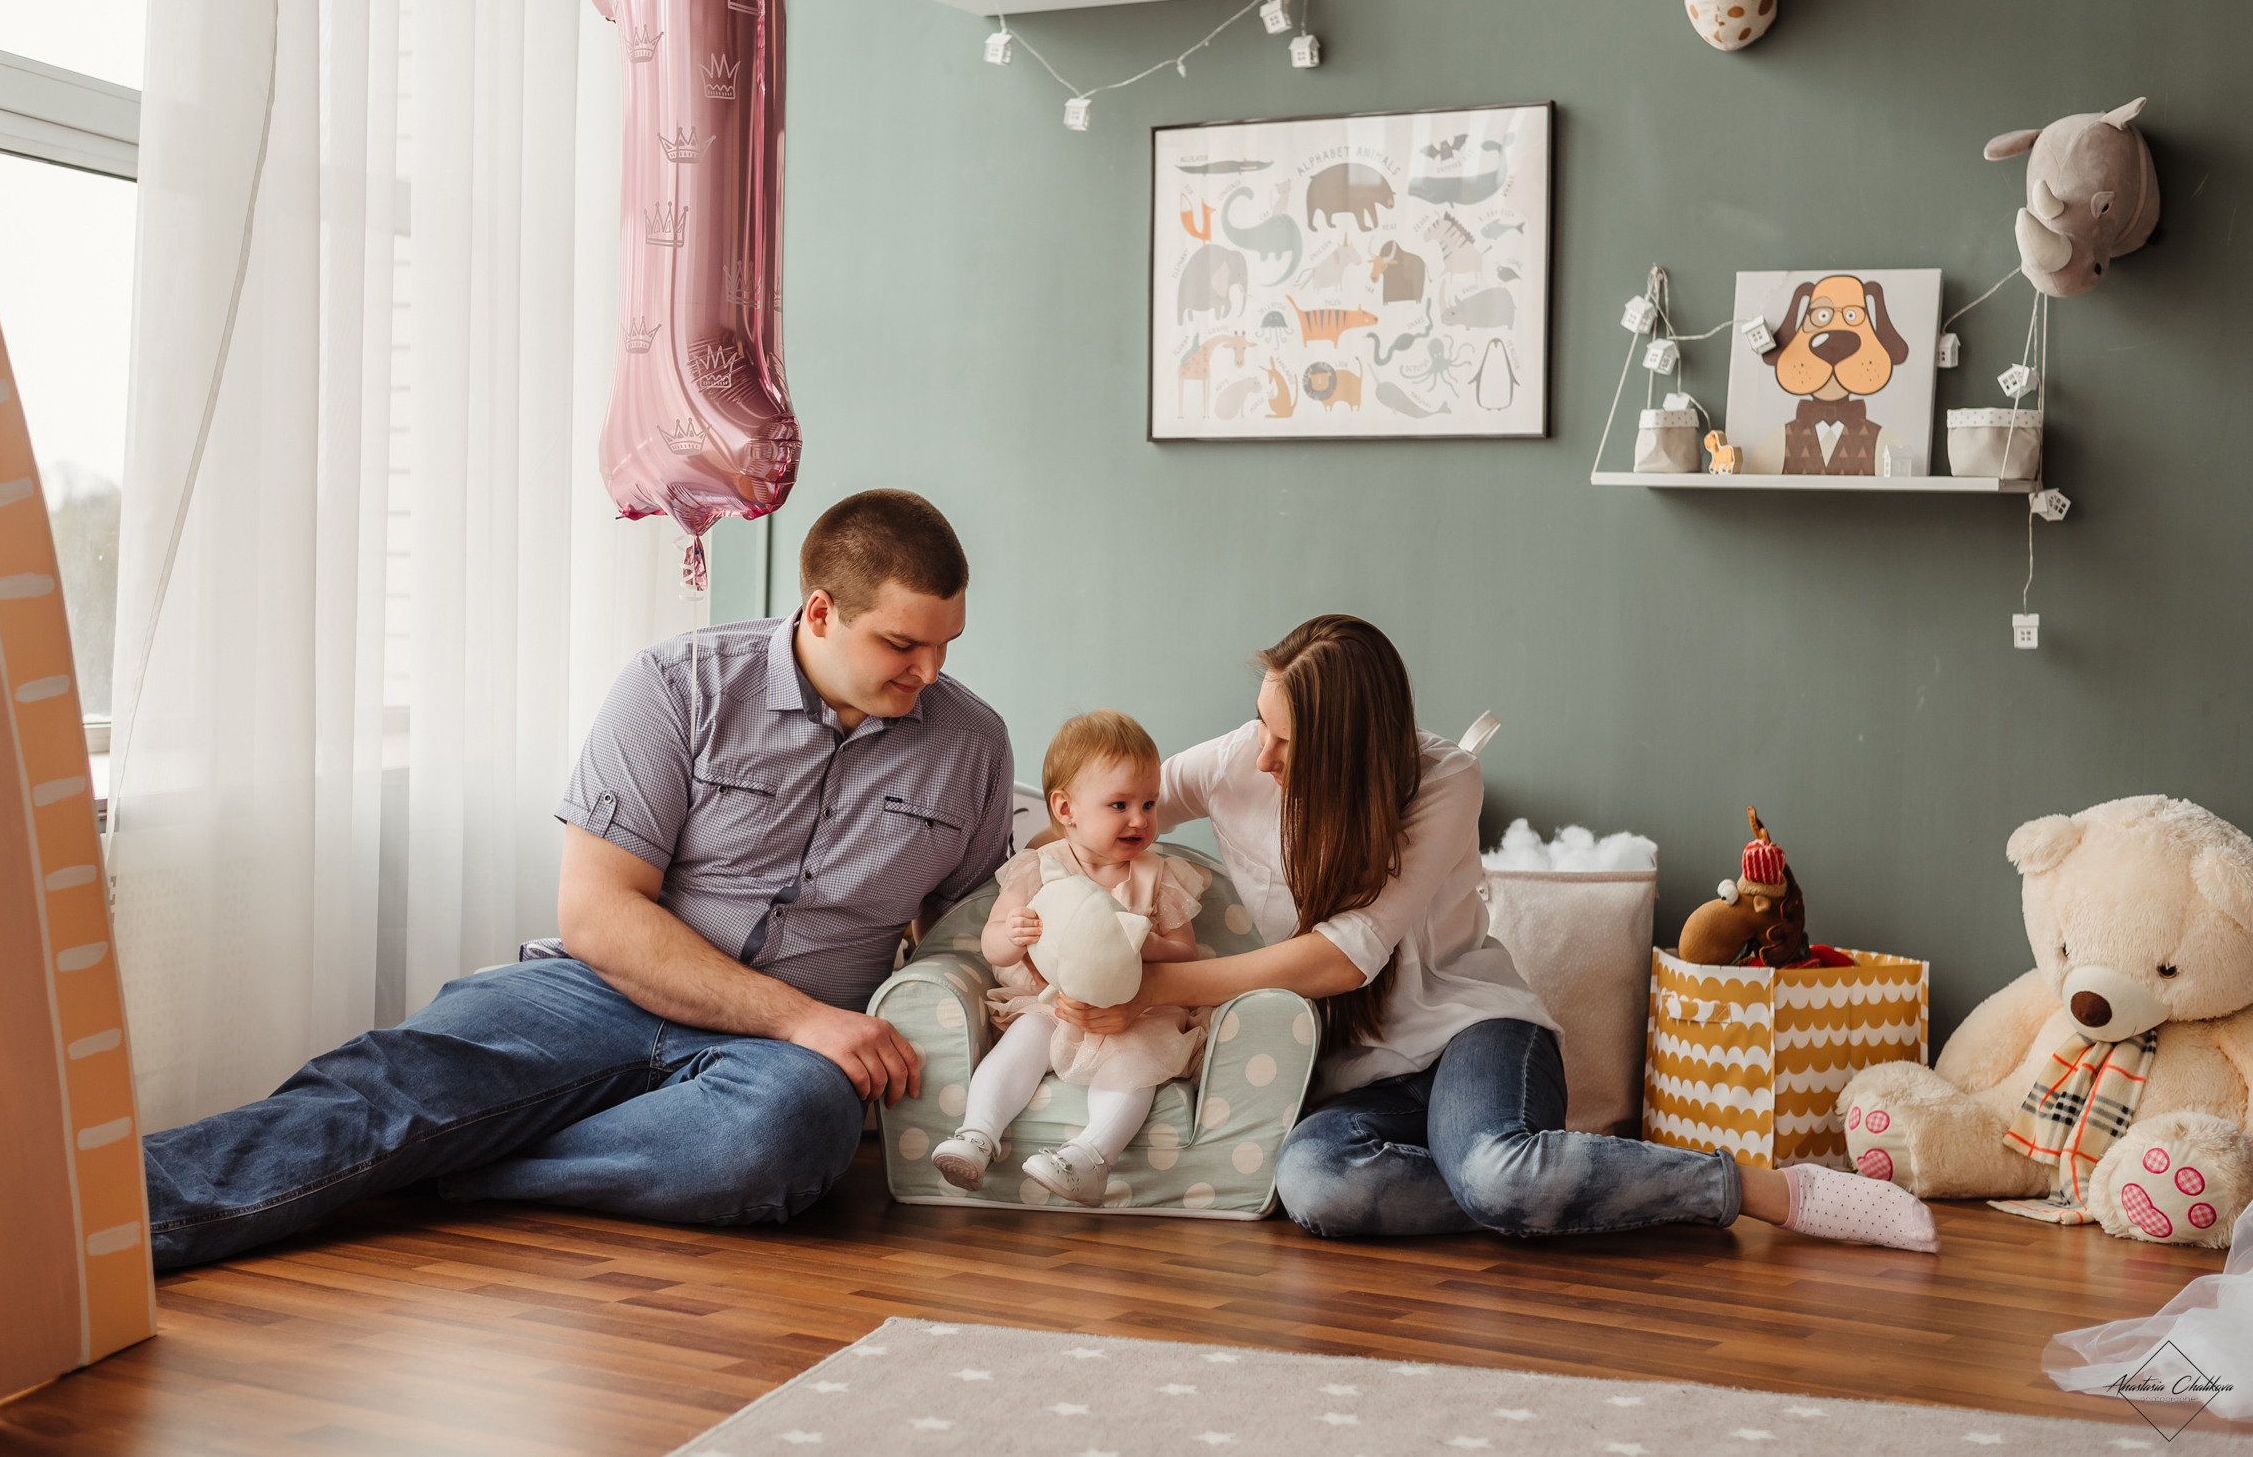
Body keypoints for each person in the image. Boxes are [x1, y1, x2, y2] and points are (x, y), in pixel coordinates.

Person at [141, 490, 1014, 1269]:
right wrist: (805, 1017)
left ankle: (460, 1169)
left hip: (777, 1062)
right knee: (393, 1082)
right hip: (600, 992)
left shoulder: (970, 744)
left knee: (786, 1136)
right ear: (820, 612)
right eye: (903, 644)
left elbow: (969, 939)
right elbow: (597, 914)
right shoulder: (679, 687)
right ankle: (110, 1221)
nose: (930, 672)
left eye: (946, 645)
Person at [1057, 614, 1940, 1252]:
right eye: (1260, 723)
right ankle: (1532, 1187)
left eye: (1284, 741)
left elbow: (1344, 956)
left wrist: (1153, 988)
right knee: (1315, 1184)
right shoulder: (1236, 761)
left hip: (1477, 1033)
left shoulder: (1442, 780)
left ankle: (1768, 1192)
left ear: (1348, 751)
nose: (1260, 757)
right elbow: (1088, 818)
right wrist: (1050, 913)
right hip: (1365, 1077)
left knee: (1496, 1170)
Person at [933, 710, 1207, 1206]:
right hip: (1051, 1004)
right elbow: (992, 945)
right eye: (1120, 804)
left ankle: (1089, 1157)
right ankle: (977, 1134)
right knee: (1024, 1037)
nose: (1140, 819)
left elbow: (1186, 957)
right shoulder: (1039, 868)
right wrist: (1011, 933)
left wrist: (1150, 945)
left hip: (1134, 1013)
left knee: (1135, 1066)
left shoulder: (1158, 875)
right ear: (1066, 808)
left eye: (1150, 802)